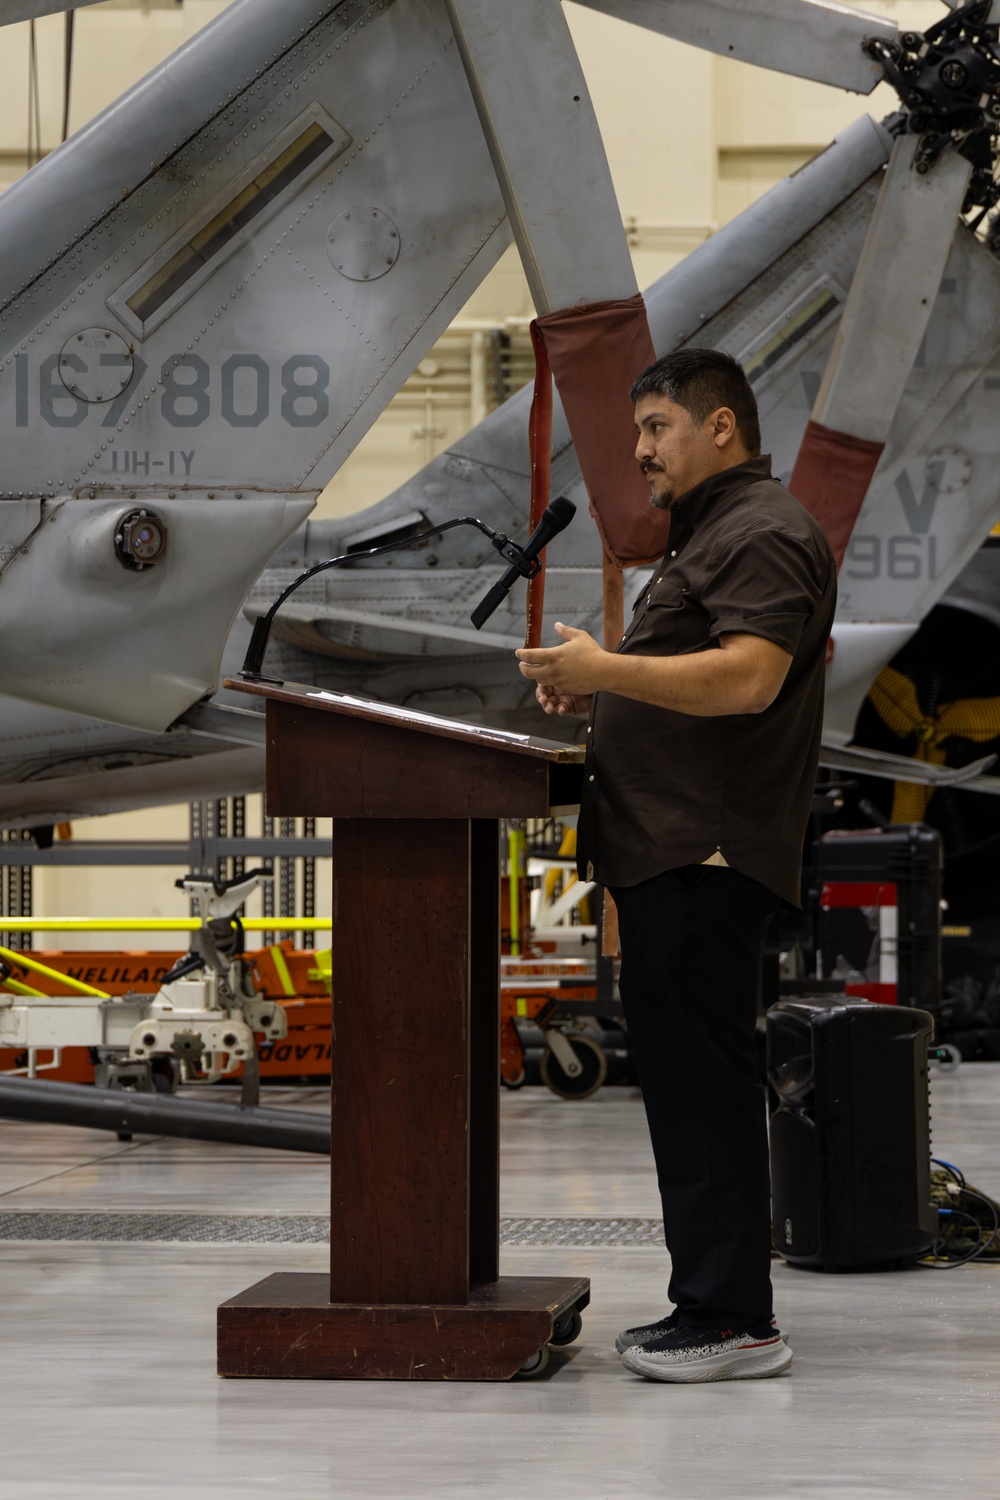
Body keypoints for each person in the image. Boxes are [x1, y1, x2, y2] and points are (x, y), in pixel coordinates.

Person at [515, 348, 836, 1384]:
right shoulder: (719, 535)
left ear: (721, 429)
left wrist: (606, 669)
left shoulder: (760, 532)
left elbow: (748, 679)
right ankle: (711, 1304)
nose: (640, 451)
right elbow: (697, 673)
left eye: (656, 429)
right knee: (691, 1086)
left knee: (702, 1088)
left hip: (706, 850)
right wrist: (607, 692)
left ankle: (733, 1318)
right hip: (673, 852)